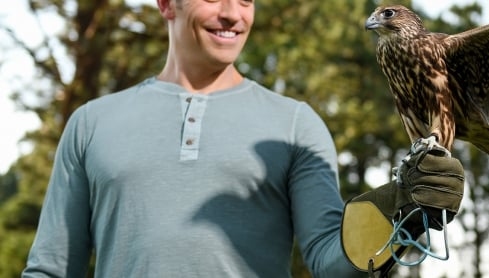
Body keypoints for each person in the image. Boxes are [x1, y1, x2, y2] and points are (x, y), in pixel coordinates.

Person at [22, 0, 465, 277]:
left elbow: (329, 260)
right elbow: (50, 268)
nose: (233, 14)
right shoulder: (91, 123)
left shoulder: (296, 124)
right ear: (165, 3)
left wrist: (395, 211)